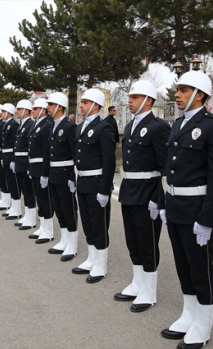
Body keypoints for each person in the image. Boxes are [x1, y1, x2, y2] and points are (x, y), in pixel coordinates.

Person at [160, 71, 213, 349]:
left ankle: (203, 323)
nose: (177, 94)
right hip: (176, 206)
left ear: (200, 94)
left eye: (184, 90)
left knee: (201, 268)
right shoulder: (178, 124)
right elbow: (171, 170)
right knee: (183, 265)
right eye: (178, 89)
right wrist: (165, 202)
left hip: (196, 210)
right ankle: (189, 314)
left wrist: (207, 218)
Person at [114, 81, 170, 312]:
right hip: (129, 191)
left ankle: (149, 290)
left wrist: (159, 199)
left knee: (148, 243)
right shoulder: (129, 127)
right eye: (130, 96)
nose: (130, 100)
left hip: (148, 193)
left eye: (135, 97)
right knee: (133, 241)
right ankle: (138, 283)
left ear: (148, 100)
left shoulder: (158, 127)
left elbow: (165, 168)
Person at [71, 88, 115, 283]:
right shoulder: (80, 127)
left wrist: (105, 189)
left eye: (85, 103)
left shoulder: (104, 128)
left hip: (97, 183)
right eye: (81, 103)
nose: (81, 106)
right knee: (88, 223)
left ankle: (101, 264)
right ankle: (91, 258)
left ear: (96, 106)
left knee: (99, 225)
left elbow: (109, 161)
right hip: (83, 181)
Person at [45, 92, 78, 261]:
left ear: (59, 106)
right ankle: (64, 240)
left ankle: (72, 245)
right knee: (59, 209)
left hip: (65, 175)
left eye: (51, 105)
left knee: (68, 209)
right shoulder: (53, 125)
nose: (48, 107)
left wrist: (73, 177)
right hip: (54, 174)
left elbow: (75, 155)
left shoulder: (69, 127)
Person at [27, 98, 54, 243]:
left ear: (43, 111)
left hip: (41, 167)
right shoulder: (37, 125)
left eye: (36, 109)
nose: (33, 111)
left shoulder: (46, 126)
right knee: (40, 198)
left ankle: (49, 231)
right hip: (34, 167)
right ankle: (43, 227)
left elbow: (46, 152)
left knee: (45, 199)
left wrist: (45, 173)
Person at [12, 100, 37, 230]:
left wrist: (29, 165)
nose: (17, 112)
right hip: (20, 162)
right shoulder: (23, 125)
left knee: (29, 192)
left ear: (26, 111)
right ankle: (27, 216)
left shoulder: (30, 125)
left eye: (19, 109)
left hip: (26, 162)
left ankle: (32, 219)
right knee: (24, 190)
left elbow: (30, 147)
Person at [0, 103, 21, 219]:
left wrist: (13, 159)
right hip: (6, 156)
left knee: (14, 183)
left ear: (8, 112)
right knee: (10, 182)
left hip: (10, 156)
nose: (1, 114)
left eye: (3, 111)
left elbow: (14, 144)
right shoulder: (6, 124)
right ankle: (13, 206)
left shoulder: (13, 124)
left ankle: (17, 208)